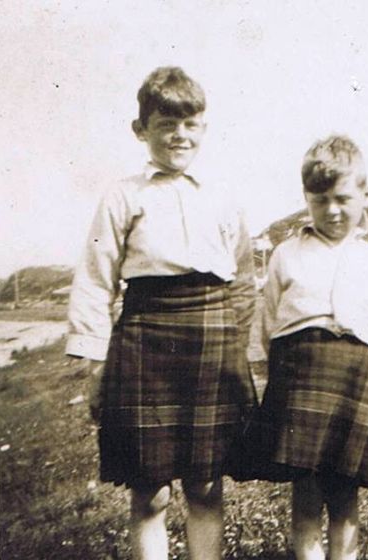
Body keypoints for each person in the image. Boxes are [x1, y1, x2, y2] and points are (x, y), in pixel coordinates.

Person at [65, 66, 256, 560]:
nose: (179, 134)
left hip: (212, 338)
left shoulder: (223, 194)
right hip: (146, 333)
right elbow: (95, 275)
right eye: (166, 123)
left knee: (206, 485)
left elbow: (244, 278)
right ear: (141, 129)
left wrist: (237, 346)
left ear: (204, 128)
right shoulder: (123, 194)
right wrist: (94, 360)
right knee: (149, 491)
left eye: (190, 124)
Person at [257, 135, 368, 560]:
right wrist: (268, 372)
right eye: (320, 201)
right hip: (302, 372)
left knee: (346, 485)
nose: (332, 210)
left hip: (358, 373)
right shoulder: (286, 253)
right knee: (307, 482)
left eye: (342, 198)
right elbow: (268, 321)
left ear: (366, 194)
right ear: (306, 199)